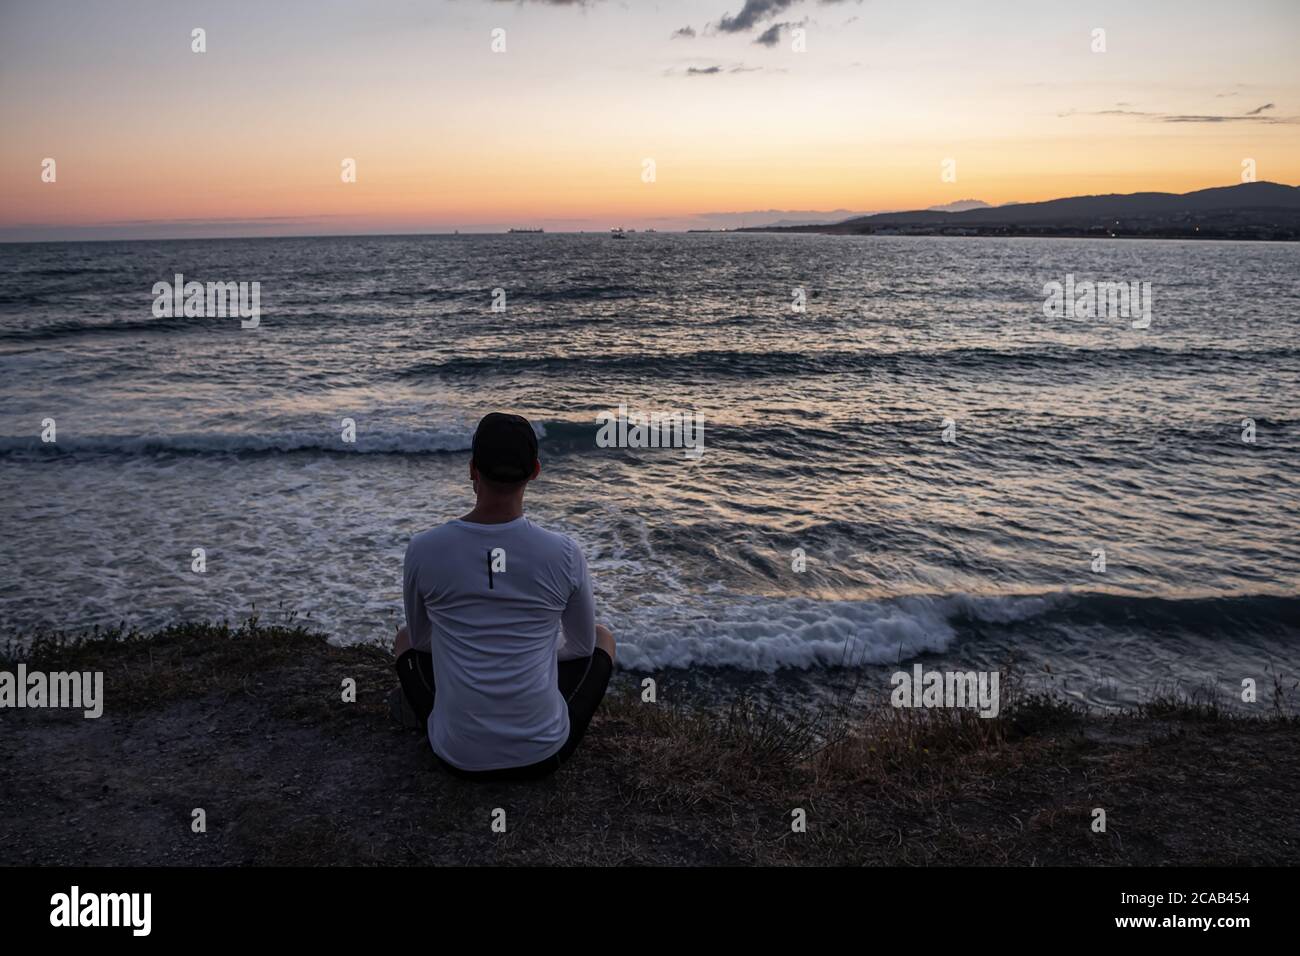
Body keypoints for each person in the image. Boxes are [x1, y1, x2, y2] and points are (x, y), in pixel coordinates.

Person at [391, 412, 616, 781]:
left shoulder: (424, 549)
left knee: (403, 639)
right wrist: (531, 654)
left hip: (455, 757)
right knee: (603, 636)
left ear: (472, 469)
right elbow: (580, 646)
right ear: (536, 471)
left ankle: (436, 716)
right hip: (544, 755)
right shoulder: (563, 552)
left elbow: (421, 639)